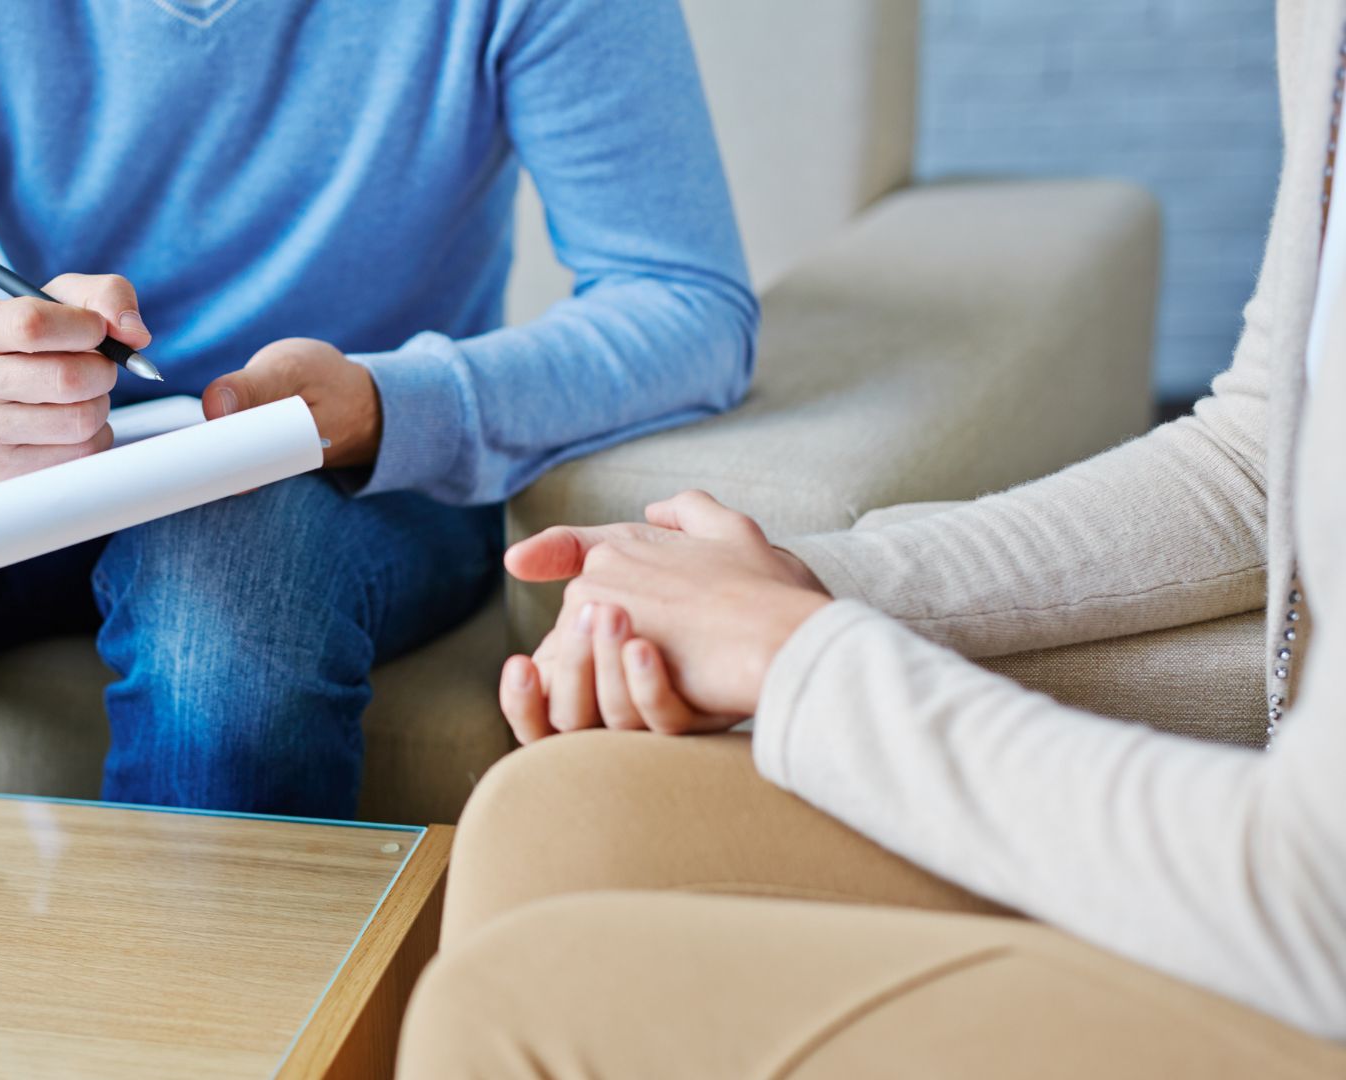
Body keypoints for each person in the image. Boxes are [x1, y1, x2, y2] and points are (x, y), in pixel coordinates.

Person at [399, 0, 1346, 1075]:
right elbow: (1261, 453)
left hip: (1308, 918)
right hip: (1292, 787)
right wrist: (794, 589)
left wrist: (798, 659)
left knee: (517, 1009)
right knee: (557, 815)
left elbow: (1318, 904)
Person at [0, 0, 755, 818]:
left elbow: (686, 301)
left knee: (229, 601)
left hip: (356, 466)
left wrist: (379, 404)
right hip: (11, 464)